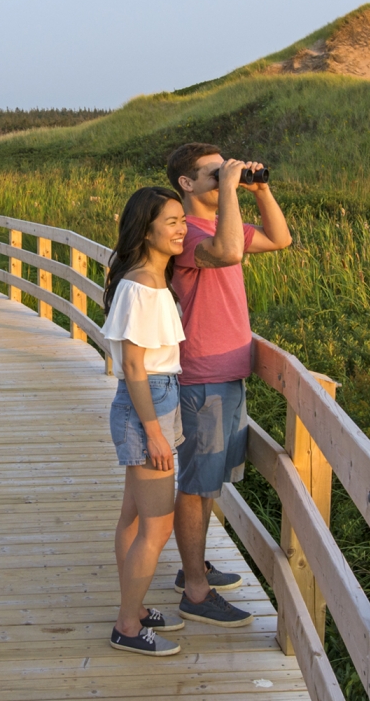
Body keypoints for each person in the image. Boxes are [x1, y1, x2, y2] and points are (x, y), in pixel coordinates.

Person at [165, 142, 291, 627]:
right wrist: (234, 191)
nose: (223, 179)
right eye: (213, 173)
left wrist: (259, 189)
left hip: (229, 371)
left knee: (210, 479)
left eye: (226, 171)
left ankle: (193, 569)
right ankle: (195, 592)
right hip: (204, 375)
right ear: (187, 184)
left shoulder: (223, 224)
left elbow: (280, 240)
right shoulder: (188, 237)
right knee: (197, 485)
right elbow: (228, 250)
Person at [102, 186, 190, 657]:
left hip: (155, 397)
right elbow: (134, 366)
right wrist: (155, 431)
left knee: (134, 518)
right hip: (147, 404)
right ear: (147, 228)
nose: (182, 228)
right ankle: (127, 627)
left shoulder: (150, 279)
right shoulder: (141, 286)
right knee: (157, 527)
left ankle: (132, 610)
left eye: (182, 219)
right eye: (172, 221)